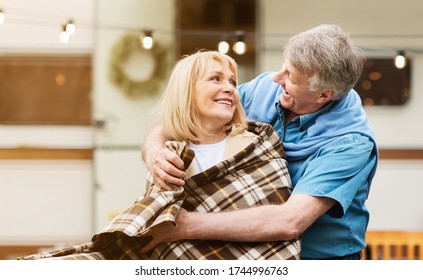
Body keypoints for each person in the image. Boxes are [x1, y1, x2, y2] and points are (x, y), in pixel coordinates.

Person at [19, 50, 300, 260]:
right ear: (186, 92)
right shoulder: (168, 154)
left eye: (231, 80)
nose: (229, 87)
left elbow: (279, 218)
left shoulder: (260, 142)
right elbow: (156, 229)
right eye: (215, 79)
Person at [140, 24, 379, 260]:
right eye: (283, 68)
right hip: (253, 253)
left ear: (324, 94)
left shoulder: (350, 144)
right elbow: (186, 114)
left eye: (291, 78)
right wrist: (154, 151)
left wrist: (184, 225)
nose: (277, 78)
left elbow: (291, 221)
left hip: (318, 260)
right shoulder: (265, 88)